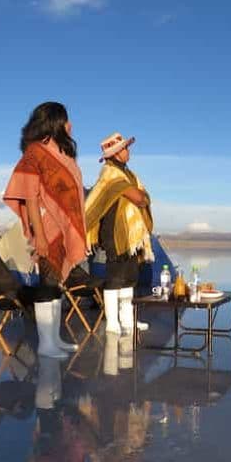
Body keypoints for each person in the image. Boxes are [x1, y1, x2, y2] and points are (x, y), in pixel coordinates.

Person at [3, 102, 88, 357]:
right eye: (66, 120)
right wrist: (39, 237)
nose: (70, 125)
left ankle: (55, 339)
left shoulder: (62, 153)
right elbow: (29, 197)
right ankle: (46, 344)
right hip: (47, 228)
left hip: (64, 228)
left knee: (56, 285)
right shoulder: (35, 153)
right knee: (47, 284)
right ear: (54, 122)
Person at [85, 132, 154, 334]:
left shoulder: (128, 174)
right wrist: (141, 197)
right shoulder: (111, 174)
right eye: (124, 148)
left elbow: (144, 197)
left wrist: (142, 197)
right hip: (115, 231)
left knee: (130, 276)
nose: (127, 151)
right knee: (115, 276)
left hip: (131, 233)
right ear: (115, 154)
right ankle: (113, 322)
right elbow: (140, 198)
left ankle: (127, 320)